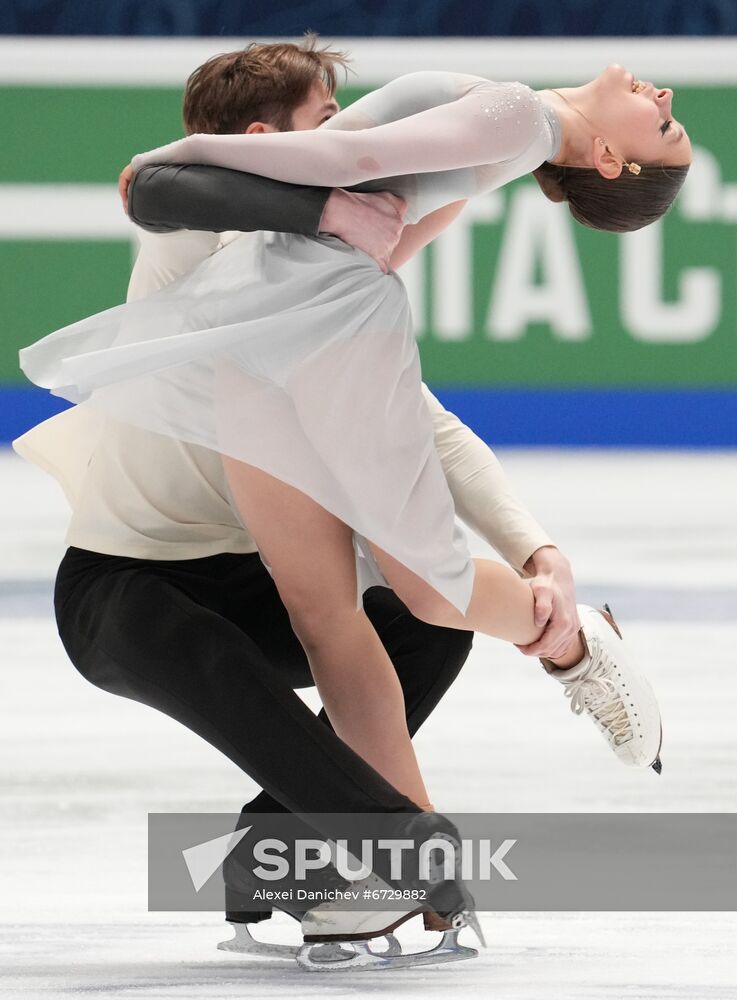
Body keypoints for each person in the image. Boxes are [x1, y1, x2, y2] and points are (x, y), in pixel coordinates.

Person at [13, 40, 582, 961]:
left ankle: (267, 848)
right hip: (126, 589)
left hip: (260, 580)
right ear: (259, 140)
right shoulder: (193, 243)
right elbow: (162, 187)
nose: (353, 138)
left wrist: (532, 550)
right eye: (329, 123)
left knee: (426, 617)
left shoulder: (314, 278)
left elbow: (425, 425)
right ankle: (396, 841)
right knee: (201, 650)